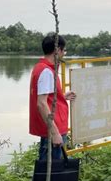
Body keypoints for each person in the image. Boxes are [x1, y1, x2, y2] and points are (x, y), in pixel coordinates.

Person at [29, 33, 76, 161]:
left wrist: (61, 96)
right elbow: (41, 104)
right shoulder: (46, 71)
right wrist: (55, 133)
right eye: (63, 50)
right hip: (53, 129)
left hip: (52, 126)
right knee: (52, 170)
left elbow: (46, 97)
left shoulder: (41, 67)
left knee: (52, 168)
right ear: (57, 50)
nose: (64, 53)